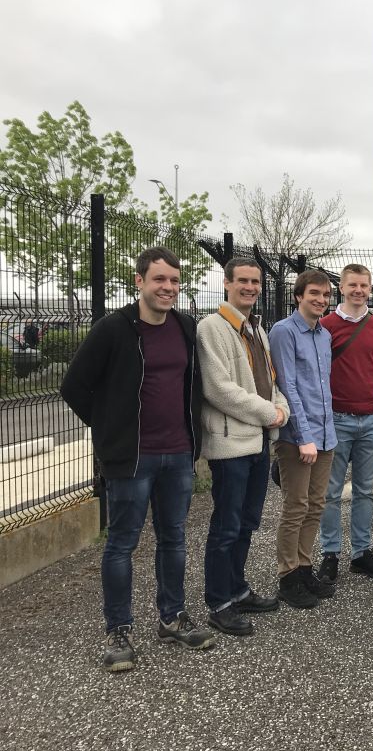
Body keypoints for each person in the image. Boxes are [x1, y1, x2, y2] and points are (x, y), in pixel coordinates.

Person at [61, 247, 214, 673]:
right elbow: (73, 386)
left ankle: (172, 617)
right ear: (140, 281)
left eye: (174, 281)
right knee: (122, 544)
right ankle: (119, 631)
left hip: (178, 454)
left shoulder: (185, 326)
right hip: (131, 460)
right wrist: (109, 428)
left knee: (174, 538)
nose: (168, 288)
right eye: (159, 280)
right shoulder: (113, 329)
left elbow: (192, 383)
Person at [198, 257, 290, 636]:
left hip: (257, 442)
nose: (250, 287)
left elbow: (269, 379)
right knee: (226, 524)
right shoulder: (212, 329)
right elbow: (219, 389)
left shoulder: (257, 329)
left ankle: (237, 589)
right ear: (227, 283)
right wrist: (270, 412)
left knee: (247, 522)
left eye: (255, 282)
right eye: (244, 281)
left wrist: (280, 407)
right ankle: (219, 602)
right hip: (232, 445)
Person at [317, 263, 373, 583]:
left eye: (364, 285)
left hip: (372, 418)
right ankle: (330, 553)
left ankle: (361, 553)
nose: (359, 290)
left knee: (365, 491)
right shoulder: (325, 326)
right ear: (342, 287)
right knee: (331, 492)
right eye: (353, 285)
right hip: (337, 418)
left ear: (370, 288)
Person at [269, 270, 338, 609]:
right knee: (295, 506)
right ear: (298, 296)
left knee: (316, 505)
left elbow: (323, 386)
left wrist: (325, 433)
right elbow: (287, 386)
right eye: (314, 293)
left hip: (326, 434)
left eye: (325, 294)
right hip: (298, 437)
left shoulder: (323, 335)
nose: (321, 299)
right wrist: (305, 437)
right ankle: (287, 576)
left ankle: (304, 566)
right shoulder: (283, 332)